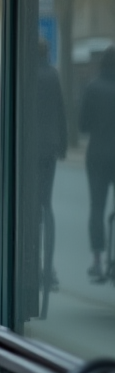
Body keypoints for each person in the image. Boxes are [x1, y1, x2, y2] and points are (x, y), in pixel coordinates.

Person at [33, 39, 67, 298]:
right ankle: (49, 267)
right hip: (50, 148)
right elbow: (60, 111)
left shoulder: (26, 75)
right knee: (47, 204)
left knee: (31, 208)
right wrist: (63, 144)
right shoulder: (53, 75)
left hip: (30, 149)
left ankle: (32, 262)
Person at [81, 47, 115, 280]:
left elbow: (83, 124)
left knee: (97, 207)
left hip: (97, 155)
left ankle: (97, 260)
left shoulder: (92, 87)